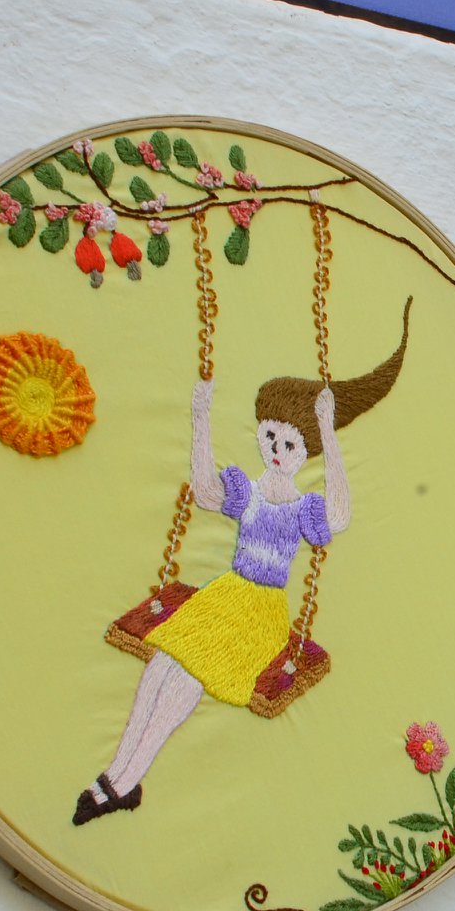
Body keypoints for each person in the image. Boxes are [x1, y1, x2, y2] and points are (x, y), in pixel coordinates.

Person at [74, 302, 410, 825]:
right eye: (270, 436)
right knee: (161, 665)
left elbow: (340, 515)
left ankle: (119, 782)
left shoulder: (303, 509)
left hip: (259, 615)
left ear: (303, 453)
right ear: (259, 433)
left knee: (185, 680)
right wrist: (200, 417)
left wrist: (330, 432)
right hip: (225, 595)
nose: (277, 449)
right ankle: (121, 774)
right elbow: (206, 491)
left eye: (290, 444)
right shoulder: (247, 492)